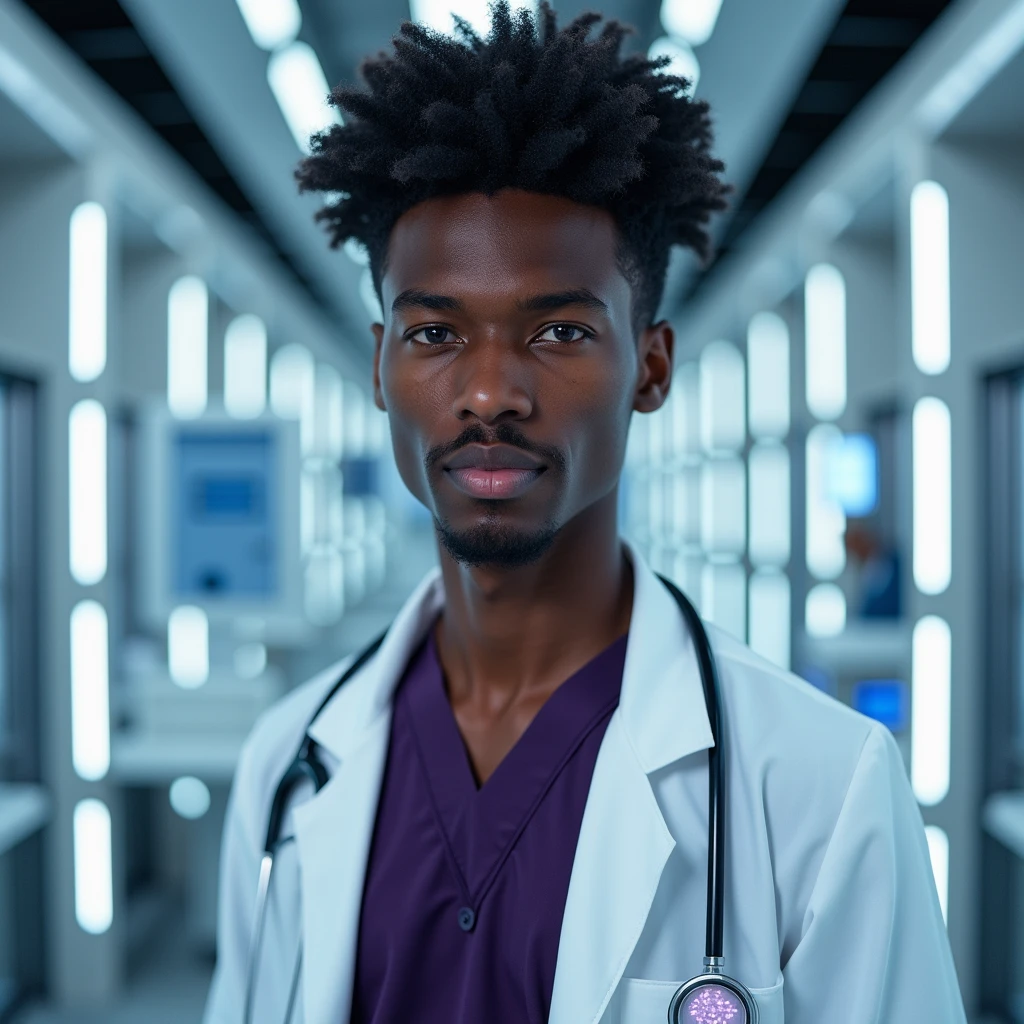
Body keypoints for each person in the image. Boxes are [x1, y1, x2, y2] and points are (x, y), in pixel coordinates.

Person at [204, 4, 966, 1022]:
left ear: (649, 366)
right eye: (434, 333)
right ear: (379, 367)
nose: (487, 393)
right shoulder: (286, 765)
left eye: (558, 329)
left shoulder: (819, 786)